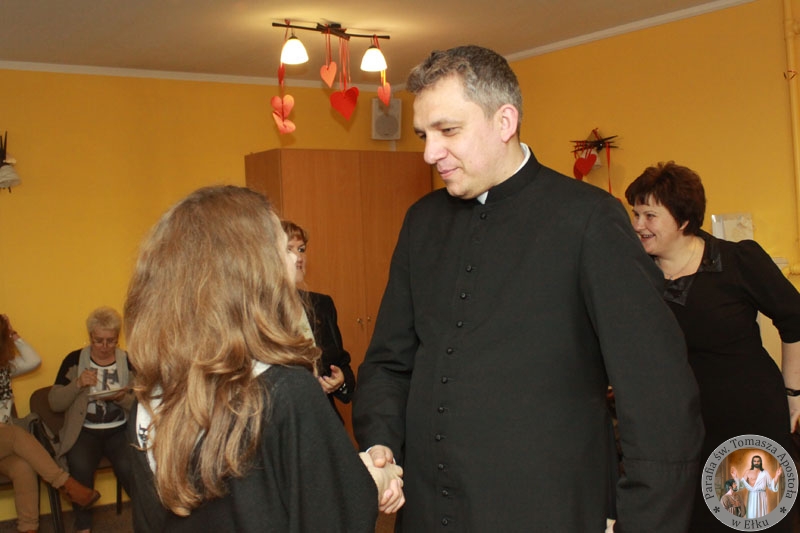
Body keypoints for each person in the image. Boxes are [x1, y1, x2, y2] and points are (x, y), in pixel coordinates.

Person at [352, 45, 703, 532]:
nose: (430, 153)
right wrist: (380, 441)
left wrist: (642, 520)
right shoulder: (422, 222)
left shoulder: (588, 219)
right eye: (423, 135)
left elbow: (656, 394)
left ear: (505, 121)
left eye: (447, 131)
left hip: (547, 510)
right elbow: (389, 362)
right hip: (429, 512)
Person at [123, 185, 402, 532]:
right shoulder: (285, 393)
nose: (295, 259)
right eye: (283, 248)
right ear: (253, 272)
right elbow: (330, 516)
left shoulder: (150, 400)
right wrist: (374, 480)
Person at [625, 161, 800, 532]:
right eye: (636, 214)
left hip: (747, 415)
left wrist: (794, 393)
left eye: (650, 215)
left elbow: (795, 319)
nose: (638, 224)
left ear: (683, 219)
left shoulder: (737, 261)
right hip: (679, 425)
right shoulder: (635, 273)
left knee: (752, 517)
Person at [0, 315, 99, 532]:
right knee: (15, 434)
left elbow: (33, 360)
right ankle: (66, 484)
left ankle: (28, 528)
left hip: (3, 444)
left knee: (23, 468)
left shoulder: (5, 368)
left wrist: (13, 335)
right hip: (6, 436)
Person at [49, 306, 133, 533]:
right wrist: (77, 384)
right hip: (85, 431)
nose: (105, 346)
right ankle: (83, 526)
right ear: (90, 337)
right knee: (80, 467)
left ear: (118, 338)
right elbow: (54, 402)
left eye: (111, 341)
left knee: (130, 467)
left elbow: (143, 403)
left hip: (119, 430)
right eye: (99, 341)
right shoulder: (74, 360)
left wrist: (122, 398)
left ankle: (148, 520)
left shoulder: (127, 361)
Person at [281, 220, 356, 422]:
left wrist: (340, 381)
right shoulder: (259, 312)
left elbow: (343, 365)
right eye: (289, 249)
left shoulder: (322, 305)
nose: (299, 257)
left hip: (325, 422)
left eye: (301, 249)